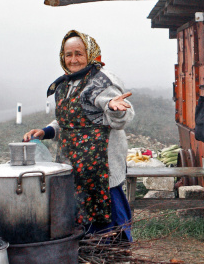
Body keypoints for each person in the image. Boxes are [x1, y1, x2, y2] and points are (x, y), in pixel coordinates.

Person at [23, 30, 135, 241]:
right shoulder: (65, 85)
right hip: (73, 166)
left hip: (101, 170)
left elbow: (121, 116)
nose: (73, 59)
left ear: (90, 54)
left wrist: (113, 108)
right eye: (68, 54)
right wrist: (46, 131)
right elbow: (68, 120)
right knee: (79, 223)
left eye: (78, 53)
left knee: (108, 228)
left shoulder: (102, 81)